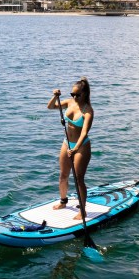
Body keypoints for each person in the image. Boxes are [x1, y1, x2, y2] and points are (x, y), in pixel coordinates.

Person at [47, 77, 93, 221]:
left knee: (79, 179)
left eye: (77, 95)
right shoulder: (69, 102)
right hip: (67, 142)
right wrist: (55, 96)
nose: (74, 97)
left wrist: (76, 148)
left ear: (84, 94)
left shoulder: (88, 111)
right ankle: (63, 201)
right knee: (63, 175)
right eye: (72, 94)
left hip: (81, 146)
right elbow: (50, 107)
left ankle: (83, 211)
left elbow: (84, 132)